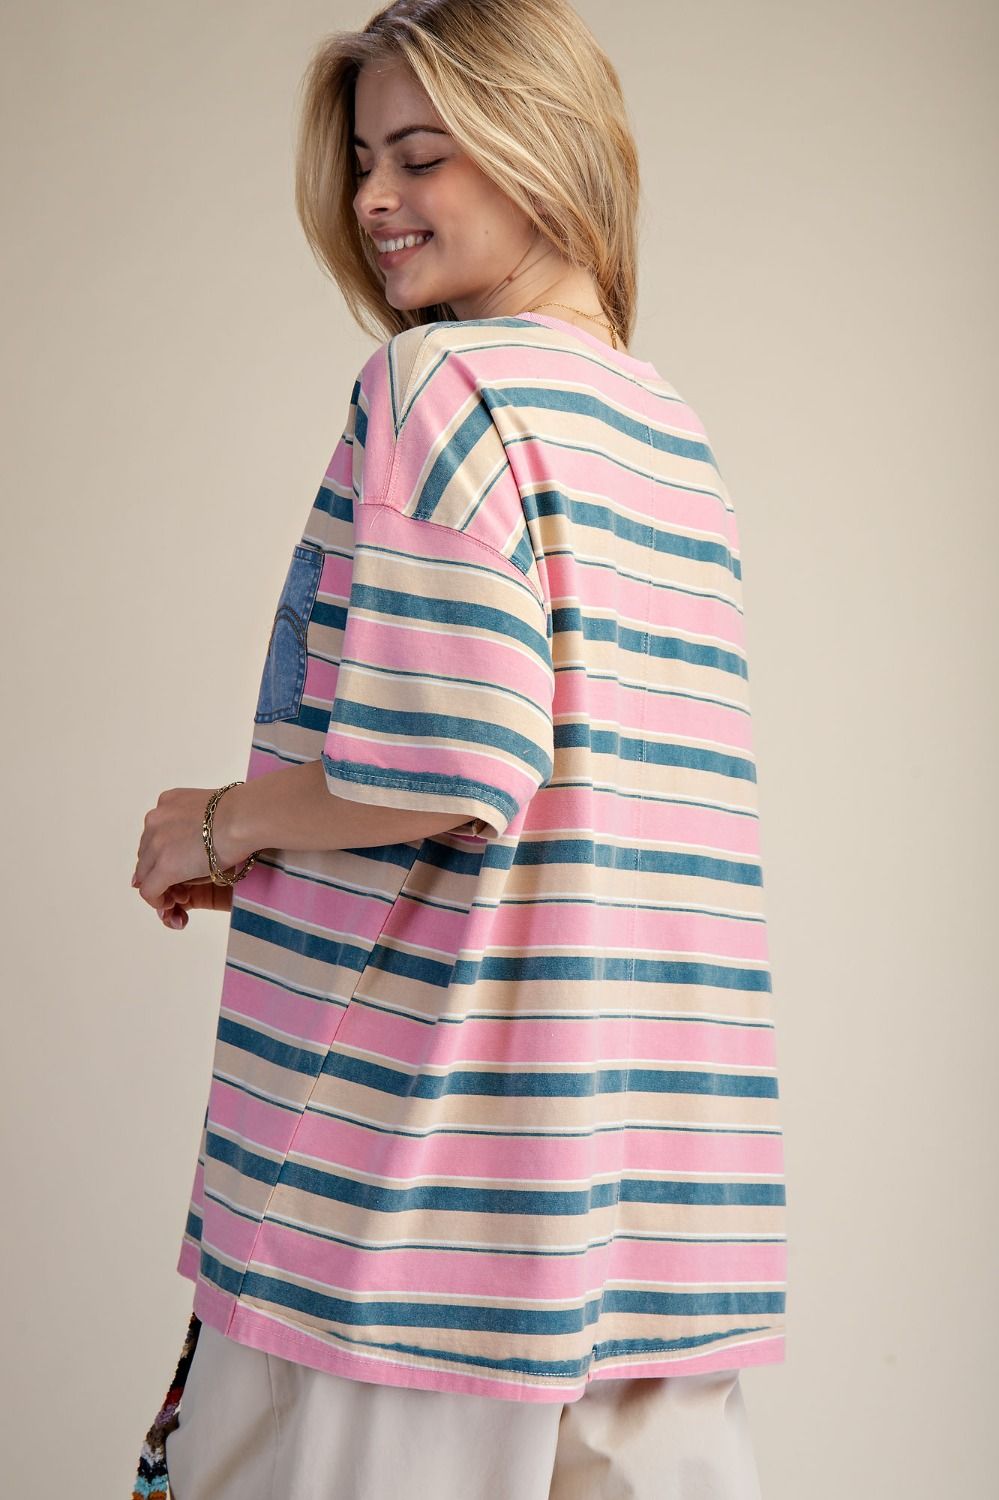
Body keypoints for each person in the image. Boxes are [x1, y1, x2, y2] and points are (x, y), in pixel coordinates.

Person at [130, 2, 787, 1496]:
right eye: (364, 157)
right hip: (656, 1227)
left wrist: (221, 826)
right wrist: (302, 848)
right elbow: (566, 812)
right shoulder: (672, 437)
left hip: (412, 1233)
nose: (371, 199)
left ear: (543, 155)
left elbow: (447, 765)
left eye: (421, 156)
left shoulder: (441, 385)